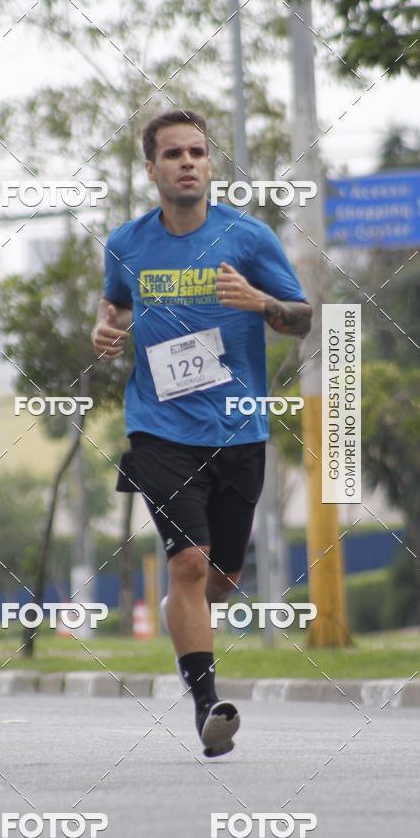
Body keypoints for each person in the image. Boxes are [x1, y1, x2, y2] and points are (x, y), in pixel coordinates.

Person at [91, 110, 311, 757]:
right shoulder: (126, 244)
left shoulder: (248, 238)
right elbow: (115, 307)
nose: (187, 162)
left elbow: (301, 318)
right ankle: (207, 703)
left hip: (239, 428)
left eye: (197, 152)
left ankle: (188, 614)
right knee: (186, 562)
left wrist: (261, 304)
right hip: (159, 427)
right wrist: (102, 334)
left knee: (220, 578)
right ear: (151, 168)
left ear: (209, 164)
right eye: (173, 154)